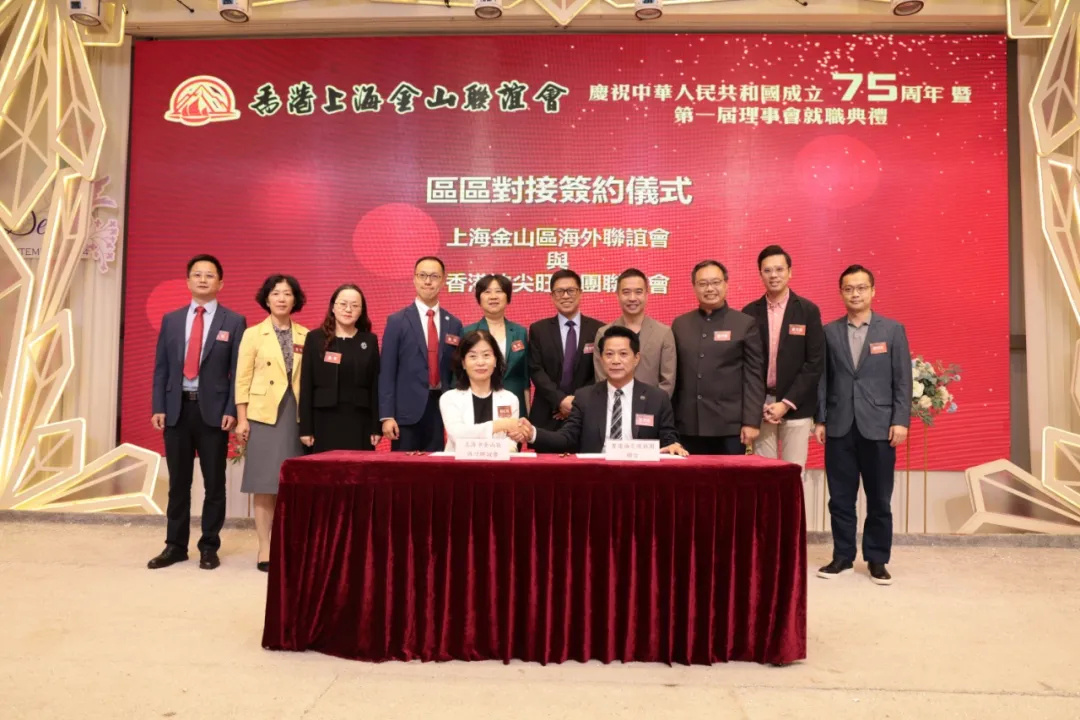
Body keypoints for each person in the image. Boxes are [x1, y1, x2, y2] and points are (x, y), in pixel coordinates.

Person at [814, 264, 912, 586]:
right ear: (841, 292)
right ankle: (842, 556)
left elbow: (903, 380)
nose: (855, 294)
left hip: (879, 426)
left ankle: (877, 559)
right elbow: (822, 380)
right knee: (840, 498)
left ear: (872, 291)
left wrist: (900, 420)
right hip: (839, 425)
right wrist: (820, 419)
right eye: (848, 288)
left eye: (861, 288)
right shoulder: (829, 332)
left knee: (879, 498)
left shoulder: (892, 330)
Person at [148, 254, 246, 571]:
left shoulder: (234, 321)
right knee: (178, 484)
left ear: (221, 283)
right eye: (197, 274)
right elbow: (161, 368)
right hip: (177, 410)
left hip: (214, 414)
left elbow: (238, 371)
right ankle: (175, 546)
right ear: (188, 281)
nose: (203, 279)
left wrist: (232, 409)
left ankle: (208, 546)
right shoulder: (172, 319)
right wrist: (159, 405)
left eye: (209, 275)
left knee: (214, 484)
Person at [234, 275, 308, 572]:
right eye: (275, 293)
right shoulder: (253, 334)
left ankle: (287, 543)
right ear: (266, 299)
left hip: (296, 412)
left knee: (291, 484)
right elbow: (242, 379)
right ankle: (265, 546)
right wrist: (242, 418)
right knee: (264, 483)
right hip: (263, 413)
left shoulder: (306, 334)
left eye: (287, 294)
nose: (281, 298)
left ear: (295, 300)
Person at [517, 326, 687, 455]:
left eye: (623, 354)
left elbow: (668, 437)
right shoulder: (584, 397)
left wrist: (673, 445)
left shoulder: (656, 398)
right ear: (601, 358)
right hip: (597, 475)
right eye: (609, 354)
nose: (615, 361)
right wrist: (533, 433)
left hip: (640, 474)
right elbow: (567, 438)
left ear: (636, 358)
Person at [742, 246, 824, 471]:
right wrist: (758, 403)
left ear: (790, 272)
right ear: (760, 274)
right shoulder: (749, 313)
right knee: (763, 474)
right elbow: (746, 363)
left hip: (796, 406)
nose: (774, 275)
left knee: (794, 472)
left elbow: (814, 363)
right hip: (761, 407)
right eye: (767, 270)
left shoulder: (808, 311)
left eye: (779, 269)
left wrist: (786, 403)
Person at [671, 260, 765, 456]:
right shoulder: (680, 325)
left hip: (730, 427)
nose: (710, 289)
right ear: (694, 287)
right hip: (688, 425)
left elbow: (754, 377)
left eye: (715, 282)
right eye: (703, 283)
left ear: (726, 284)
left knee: (730, 476)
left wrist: (751, 421)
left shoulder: (744, 324)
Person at [379, 257, 464, 451]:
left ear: (443, 281)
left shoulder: (454, 323)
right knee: (403, 466)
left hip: (441, 410)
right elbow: (387, 371)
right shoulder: (397, 321)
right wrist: (387, 415)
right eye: (422, 275)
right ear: (414, 279)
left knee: (436, 465)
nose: (428, 281)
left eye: (434, 276)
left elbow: (455, 371)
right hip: (405, 413)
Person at [299, 284, 381, 453]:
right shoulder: (315, 338)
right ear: (333, 307)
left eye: (355, 305)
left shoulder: (369, 340)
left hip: (360, 419)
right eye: (343, 304)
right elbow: (306, 384)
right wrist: (306, 427)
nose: (348, 309)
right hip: (323, 419)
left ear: (361, 311)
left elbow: (375, 386)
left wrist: (376, 427)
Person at [527, 269, 602, 434]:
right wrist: (560, 400)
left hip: (586, 412)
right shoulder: (539, 329)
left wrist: (576, 402)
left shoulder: (599, 329)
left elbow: (600, 372)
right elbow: (536, 369)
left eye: (571, 290)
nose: (566, 296)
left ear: (580, 293)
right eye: (559, 291)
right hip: (547, 413)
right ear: (552, 296)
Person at [594, 268, 677, 397]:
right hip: (614, 405)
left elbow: (667, 381)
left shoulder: (663, 333)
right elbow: (601, 378)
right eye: (626, 292)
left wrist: (654, 405)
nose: (632, 298)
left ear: (646, 294)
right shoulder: (603, 333)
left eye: (638, 292)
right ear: (617, 295)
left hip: (651, 406)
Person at [439, 330, 521, 453]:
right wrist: (499, 425)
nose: (480, 362)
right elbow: (458, 436)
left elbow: (510, 442)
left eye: (486, 355)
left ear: (495, 360)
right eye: (473, 356)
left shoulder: (510, 399)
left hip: (498, 463)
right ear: (463, 363)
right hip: (458, 463)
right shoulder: (449, 398)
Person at [462, 274, 530, 416]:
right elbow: (460, 376)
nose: (493, 297)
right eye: (487, 292)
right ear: (479, 298)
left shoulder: (520, 332)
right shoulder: (468, 332)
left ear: (508, 297)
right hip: (479, 403)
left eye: (499, 291)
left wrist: (527, 413)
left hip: (514, 403)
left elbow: (525, 378)